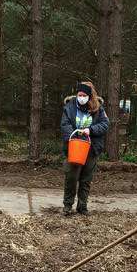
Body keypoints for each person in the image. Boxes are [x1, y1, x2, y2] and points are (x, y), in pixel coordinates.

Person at [60, 80, 109, 216]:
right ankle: (67, 205)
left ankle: (82, 206)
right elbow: (65, 124)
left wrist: (91, 130)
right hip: (74, 147)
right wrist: (74, 136)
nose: (81, 97)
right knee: (71, 177)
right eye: (79, 95)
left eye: (84, 95)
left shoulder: (98, 109)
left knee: (86, 179)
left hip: (91, 148)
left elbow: (105, 124)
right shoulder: (69, 107)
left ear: (89, 96)